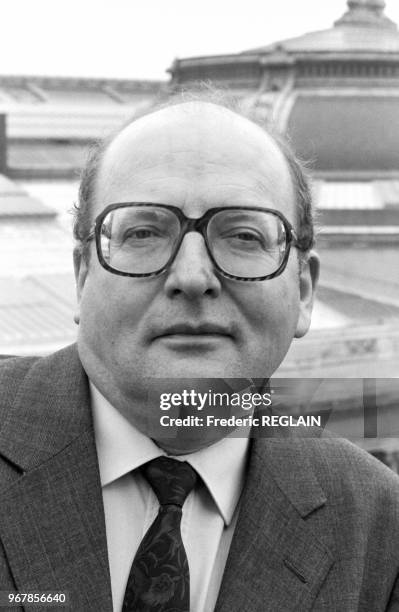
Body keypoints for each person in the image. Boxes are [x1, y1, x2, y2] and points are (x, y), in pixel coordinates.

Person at [1, 96, 399, 612]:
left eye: (243, 235)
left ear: (302, 291)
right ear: (82, 276)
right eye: (143, 232)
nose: (192, 277)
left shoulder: (378, 529)